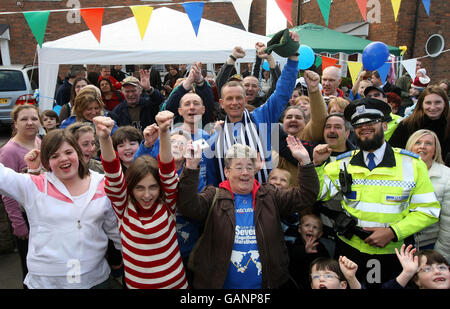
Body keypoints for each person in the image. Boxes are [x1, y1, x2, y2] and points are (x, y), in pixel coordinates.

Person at [314, 97, 441, 288]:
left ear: (384, 124)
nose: (364, 127)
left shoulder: (412, 165)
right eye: (358, 124)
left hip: (395, 254)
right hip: (350, 250)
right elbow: (318, 194)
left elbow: (428, 211)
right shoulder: (342, 163)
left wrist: (392, 232)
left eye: (371, 122)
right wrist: (316, 165)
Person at [177, 135, 319, 289]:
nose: (245, 172)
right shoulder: (214, 196)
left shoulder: (270, 195)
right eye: (238, 167)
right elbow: (188, 206)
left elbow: (306, 195)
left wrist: (305, 161)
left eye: (249, 167)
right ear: (226, 171)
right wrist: (191, 167)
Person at [0, 129, 122, 288]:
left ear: (78, 152)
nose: (63, 159)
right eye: (54, 156)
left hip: (95, 280)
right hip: (46, 283)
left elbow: (116, 231)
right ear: (46, 161)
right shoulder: (34, 186)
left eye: (68, 152)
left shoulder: (102, 184)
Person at [94, 112, 188, 289]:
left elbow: (167, 169)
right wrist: (105, 138)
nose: (147, 195)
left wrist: (164, 131)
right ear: (130, 188)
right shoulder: (123, 207)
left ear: (161, 188)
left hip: (176, 284)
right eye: (139, 188)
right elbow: (113, 173)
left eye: (153, 187)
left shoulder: (167, 203)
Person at [210, 34, 301, 185]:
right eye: (229, 99)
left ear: (246, 100)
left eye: (239, 98)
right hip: (229, 203)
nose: (234, 103)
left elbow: (282, 92)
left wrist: (292, 56)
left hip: (262, 200)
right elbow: (212, 180)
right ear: (222, 103)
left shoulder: (261, 117)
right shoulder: (215, 139)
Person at [0, 104, 41, 287]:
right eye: (24, 119)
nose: (30, 122)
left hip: (40, 211)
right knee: (29, 266)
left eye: (34, 118)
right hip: (24, 217)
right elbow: (7, 194)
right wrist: (18, 223)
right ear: (15, 123)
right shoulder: (9, 151)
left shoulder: (39, 141)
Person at [405, 129, 450, 254]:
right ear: (410, 146)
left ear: (435, 149)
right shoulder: (398, 172)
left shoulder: (447, 176)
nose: (422, 147)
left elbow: (448, 223)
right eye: (418, 142)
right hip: (399, 244)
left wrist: (440, 256)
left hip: (430, 245)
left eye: (428, 143)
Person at [389, 86, 449, 160]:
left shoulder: (448, 126)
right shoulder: (407, 125)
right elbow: (393, 151)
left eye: (437, 102)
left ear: (445, 103)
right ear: (421, 104)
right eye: (428, 103)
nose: (433, 107)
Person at [216, 43, 281, 108]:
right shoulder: (232, 104)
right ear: (241, 87)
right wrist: (233, 57)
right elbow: (220, 83)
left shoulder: (263, 104)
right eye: (247, 85)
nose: (250, 89)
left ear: (259, 89)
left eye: (254, 86)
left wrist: (270, 58)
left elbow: (278, 86)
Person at [163, 62, 215, 128]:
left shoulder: (204, 126)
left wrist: (200, 81)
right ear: (180, 110)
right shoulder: (174, 126)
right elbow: (169, 109)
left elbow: (209, 99)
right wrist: (185, 85)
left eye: (196, 103)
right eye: (187, 104)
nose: (192, 107)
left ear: (203, 109)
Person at [289, 213, 330, 289]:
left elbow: (327, 262)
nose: (311, 229)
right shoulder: (294, 243)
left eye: (315, 227)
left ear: (320, 234)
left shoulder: (320, 247)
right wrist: (304, 250)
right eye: (307, 225)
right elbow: (290, 255)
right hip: (297, 282)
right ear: (299, 229)